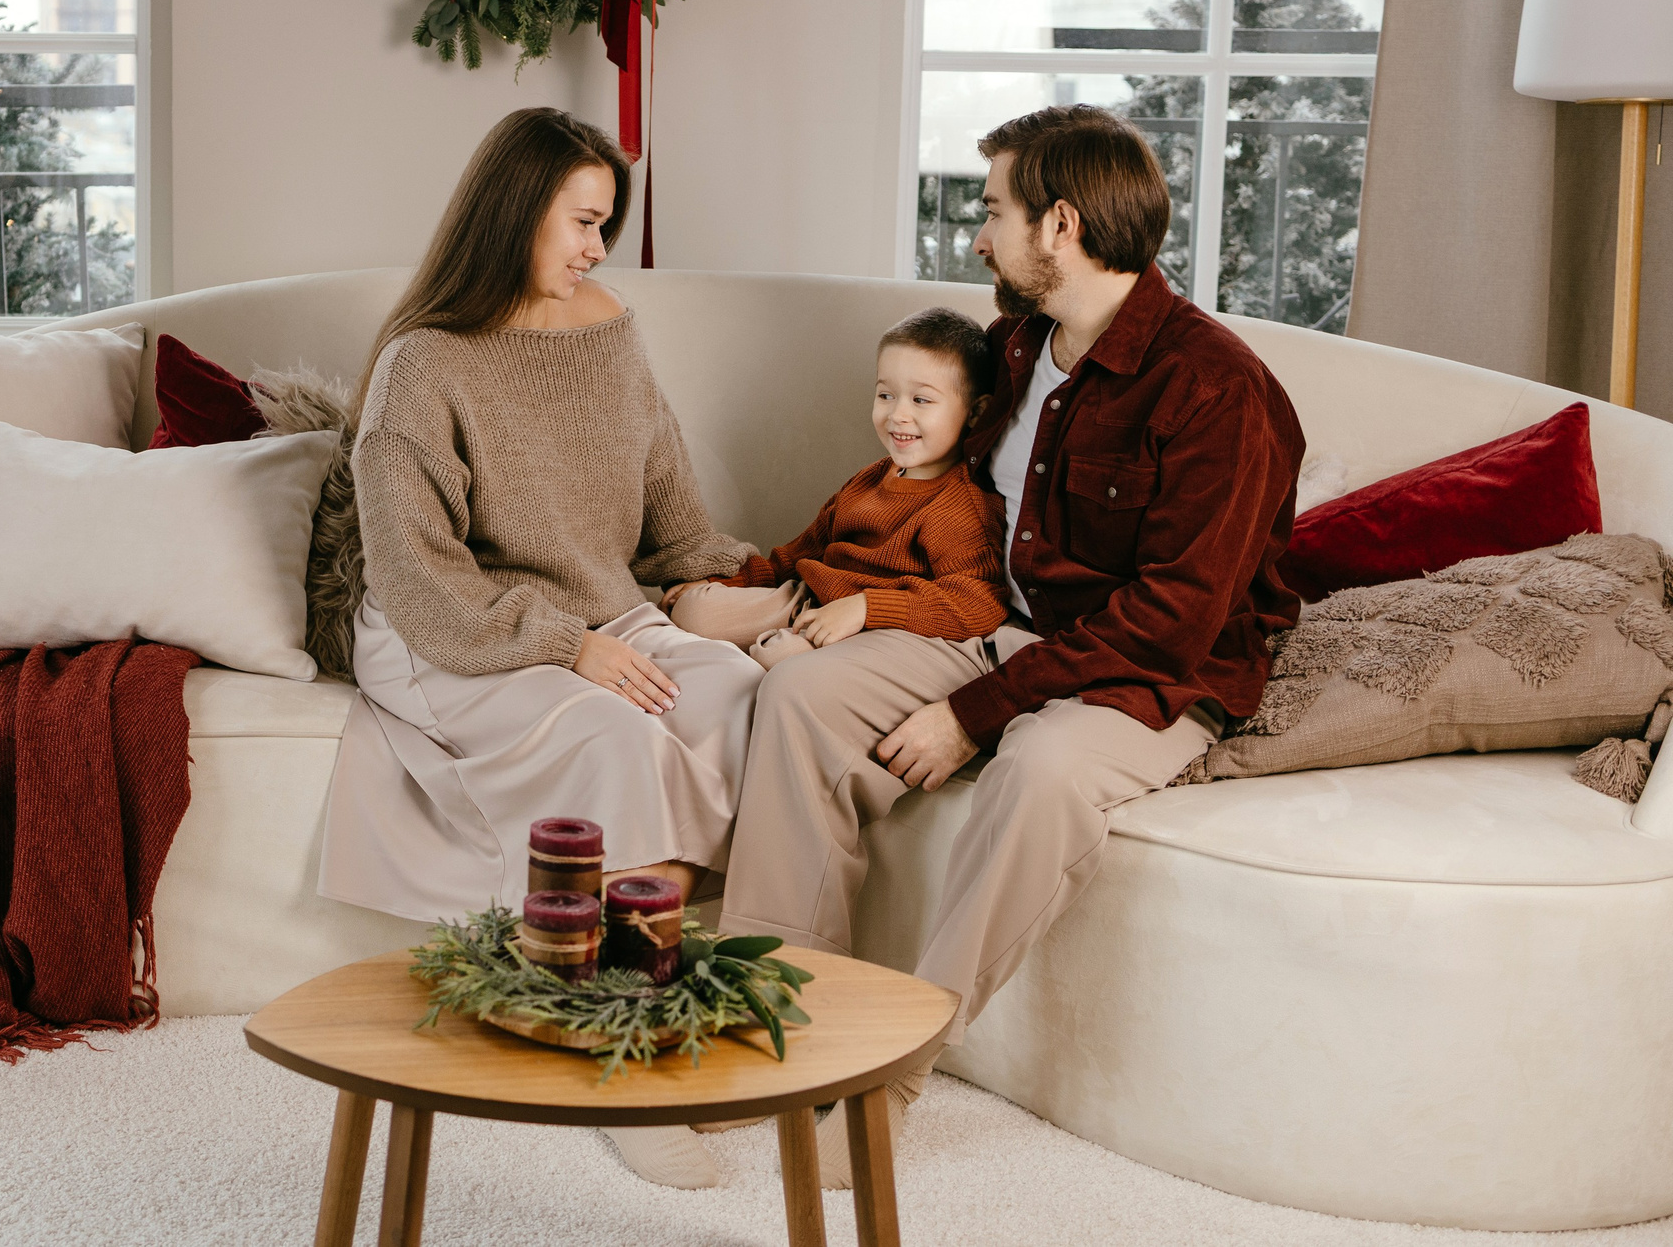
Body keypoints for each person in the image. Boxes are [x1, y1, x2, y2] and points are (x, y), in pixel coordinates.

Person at [721, 105, 1304, 1184]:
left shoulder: (1218, 390)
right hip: (1000, 628)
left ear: (1061, 226)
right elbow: (938, 518)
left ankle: (892, 1069)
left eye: (993, 211)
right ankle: (771, 1006)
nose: (977, 236)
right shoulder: (1015, 348)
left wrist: (973, 715)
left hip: (1154, 677)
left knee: (1036, 769)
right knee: (799, 700)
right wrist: (818, 594)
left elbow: (1173, 619)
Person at [318, 106, 767, 1188]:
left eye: (604, 225)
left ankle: (649, 997)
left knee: (739, 694)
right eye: (580, 222)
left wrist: (752, 586)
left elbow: (669, 514)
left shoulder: (609, 328)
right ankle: (625, 1057)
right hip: (452, 629)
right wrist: (565, 646)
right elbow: (418, 576)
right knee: (619, 739)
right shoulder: (423, 365)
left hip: (592, 613)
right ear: (515, 211)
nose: (596, 249)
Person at [665, 306, 1010, 667]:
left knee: (782, 657)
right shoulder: (870, 479)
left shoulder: (962, 505)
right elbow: (800, 553)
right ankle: (749, 646)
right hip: (809, 596)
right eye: (885, 395)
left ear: (976, 412)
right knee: (695, 611)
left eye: (920, 400)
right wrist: (730, 584)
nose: (897, 415)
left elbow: (979, 603)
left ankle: (762, 657)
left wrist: (866, 607)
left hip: (874, 624)